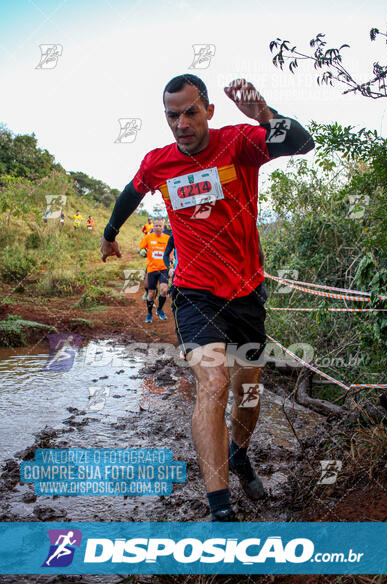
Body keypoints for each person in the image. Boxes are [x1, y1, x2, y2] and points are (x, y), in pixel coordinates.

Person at [101, 74, 314, 521]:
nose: (181, 123)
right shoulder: (158, 162)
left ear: (209, 111)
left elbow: (302, 142)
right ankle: (221, 511)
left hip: (246, 290)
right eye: (172, 115)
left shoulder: (239, 143)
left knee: (248, 391)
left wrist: (264, 115)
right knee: (213, 385)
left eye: (190, 112)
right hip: (195, 292)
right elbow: (131, 192)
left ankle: (239, 453)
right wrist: (108, 234)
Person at [138, 218, 170, 322]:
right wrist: (142, 251)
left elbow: (171, 253)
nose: (158, 227)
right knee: (151, 294)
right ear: (153, 226)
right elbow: (140, 248)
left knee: (164, 290)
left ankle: (160, 310)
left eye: (160, 226)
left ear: (163, 227)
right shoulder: (148, 237)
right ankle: (149, 313)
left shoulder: (167, 238)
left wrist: (172, 265)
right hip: (152, 269)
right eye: (156, 225)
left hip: (164, 269)